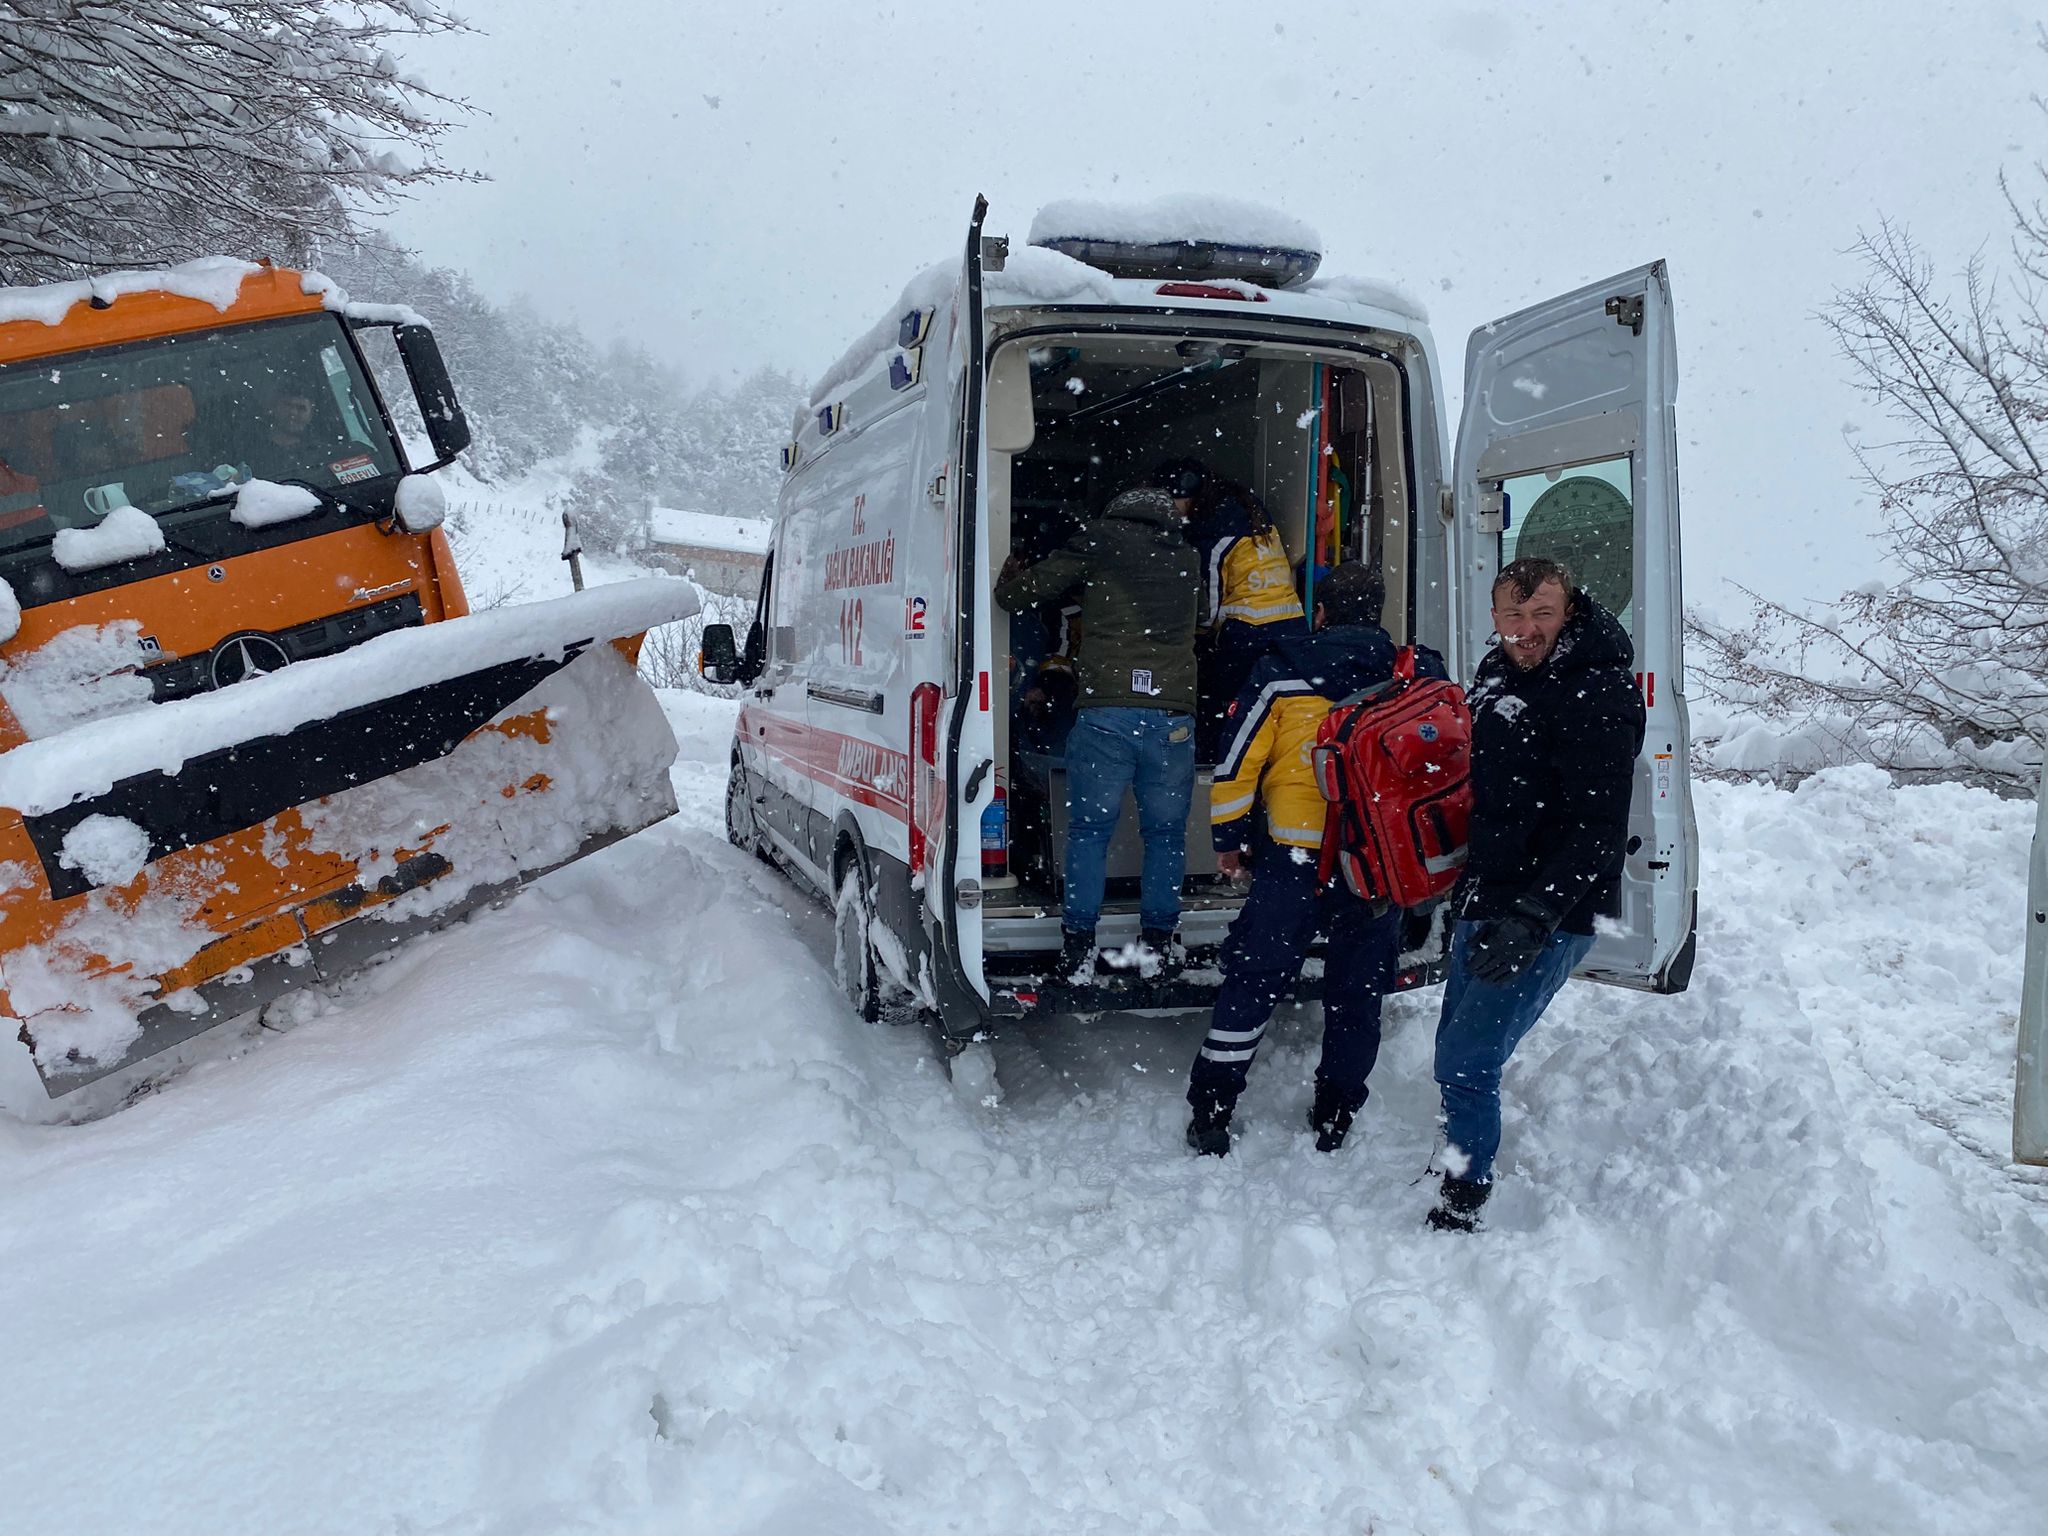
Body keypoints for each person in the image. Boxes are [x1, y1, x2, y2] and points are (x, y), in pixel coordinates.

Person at [1185, 562, 1442, 1156]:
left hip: (1297, 857)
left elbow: (1237, 765)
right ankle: (1336, 1112)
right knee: (1357, 994)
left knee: (1253, 982)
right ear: (1377, 613)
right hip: (1377, 863)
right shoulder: (1413, 673)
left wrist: (1228, 840)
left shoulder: (1281, 672)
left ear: (1319, 613)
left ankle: (1214, 1110)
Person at [1427, 555, 1645, 1231]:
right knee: (1453, 1050)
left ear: (1569, 611)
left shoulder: (1600, 692)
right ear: (1494, 617)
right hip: (1488, 892)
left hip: (1548, 910)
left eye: (1542, 614)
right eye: (1513, 616)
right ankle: (1459, 1155)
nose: (1526, 630)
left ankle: (1465, 1195)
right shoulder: (1496, 673)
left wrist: (1534, 916)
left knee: (1468, 1057)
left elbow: (1599, 830)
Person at [995, 485, 1201, 983]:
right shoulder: (1189, 556)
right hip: (1172, 716)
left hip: (1109, 712)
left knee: (1089, 833)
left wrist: (1013, 579)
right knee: (1166, 836)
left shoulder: (1102, 540)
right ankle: (1157, 946)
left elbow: (1017, 596)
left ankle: (1079, 948)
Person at [1156, 459, 1309, 760]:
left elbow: (1208, 610)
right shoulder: (1249, 513)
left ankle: (1213, 767)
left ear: (1186, 497)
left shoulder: (1213, 534)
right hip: (1292, 626)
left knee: (1221, 709)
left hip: (1248, 632)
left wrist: (1185, 635)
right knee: (1267, 710)